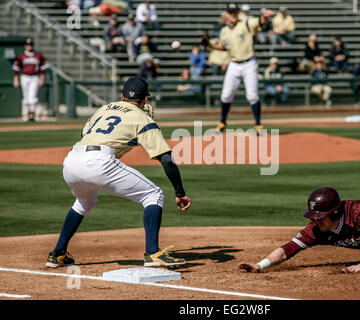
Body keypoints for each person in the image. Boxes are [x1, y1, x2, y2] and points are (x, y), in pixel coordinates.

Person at [46, 77, 191, 269]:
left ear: (122, 96)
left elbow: (87, 134)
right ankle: (153, 253)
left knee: (84, 202)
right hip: (99, 161)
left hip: (72, 160)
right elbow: (166, 159)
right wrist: (180, 193)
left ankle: (58, 254)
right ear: (145, 100)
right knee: (153, 195)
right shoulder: (143, 118)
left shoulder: (104, 108)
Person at [205, 3, 276, 135]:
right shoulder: (224, 31)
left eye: (234, 12)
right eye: (230, 12)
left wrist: (265, 17)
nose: (232, 14)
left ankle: (258, 124)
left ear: (237, 13)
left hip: (249, 63)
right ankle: (222, 122)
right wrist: (210, 45)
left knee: (252, 96)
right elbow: (224, 46)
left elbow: (260, 22)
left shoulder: (246, 24)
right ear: (226, 14)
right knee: (226, 95)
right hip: (233, 64)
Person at [12, 38, 48, 122]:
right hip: (24, 77)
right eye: (28, 45)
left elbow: (43, 68)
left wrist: (42, 79)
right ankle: (26, 114)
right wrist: (16, 79)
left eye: (30, 45)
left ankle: (32, 114)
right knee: (26, 96)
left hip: (35, 77)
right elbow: (16, 69)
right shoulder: (21, 56)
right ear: (25, 46)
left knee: (33, 95)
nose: (29, 46)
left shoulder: (38, 55)